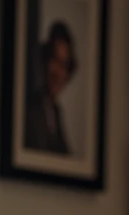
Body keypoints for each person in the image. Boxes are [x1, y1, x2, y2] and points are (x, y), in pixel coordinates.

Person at [24, 21, 76, 155]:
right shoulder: (30, 107)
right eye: (54, 60)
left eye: (64, 64)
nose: (58, 72)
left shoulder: (56, 112)